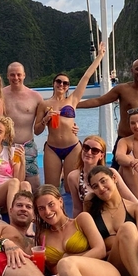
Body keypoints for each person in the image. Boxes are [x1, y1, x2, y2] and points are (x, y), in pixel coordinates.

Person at [33, 42, 107, 189]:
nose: (62, 85)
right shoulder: (43, 104)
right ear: (53, 83)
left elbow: (86, 77)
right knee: (51, 187)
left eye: (65, 83)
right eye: (59, 82)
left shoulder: (72, 100)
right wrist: (45, 120)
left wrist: (100, 56)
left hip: (72, 147)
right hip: (52, 147)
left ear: (68, 87)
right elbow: (36, 131)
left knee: (70, 186)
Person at [78, 58, 138, 168]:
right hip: (124, 140)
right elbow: (99, 101)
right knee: (115, 175)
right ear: (131, 70)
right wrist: (74, 104)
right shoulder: (122, 89)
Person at [66, 135, 138, 217]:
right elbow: (77, 208)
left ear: (101, 155)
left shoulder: (111, 173)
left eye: (95, 150)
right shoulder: (73, 177)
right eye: (86, 148)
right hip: (92, 220)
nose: (89, 152)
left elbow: (131, 199)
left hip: (115, 216)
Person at [3, 62, 45, 190]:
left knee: (34, 185)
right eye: (12, 75)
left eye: (18, 74)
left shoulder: (36, 97)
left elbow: (39, 129)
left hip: (27, 146)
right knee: (7, 182)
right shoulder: (0, 95)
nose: (16, 78)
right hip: (6, 146)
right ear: (7, 76)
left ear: (24, 75)